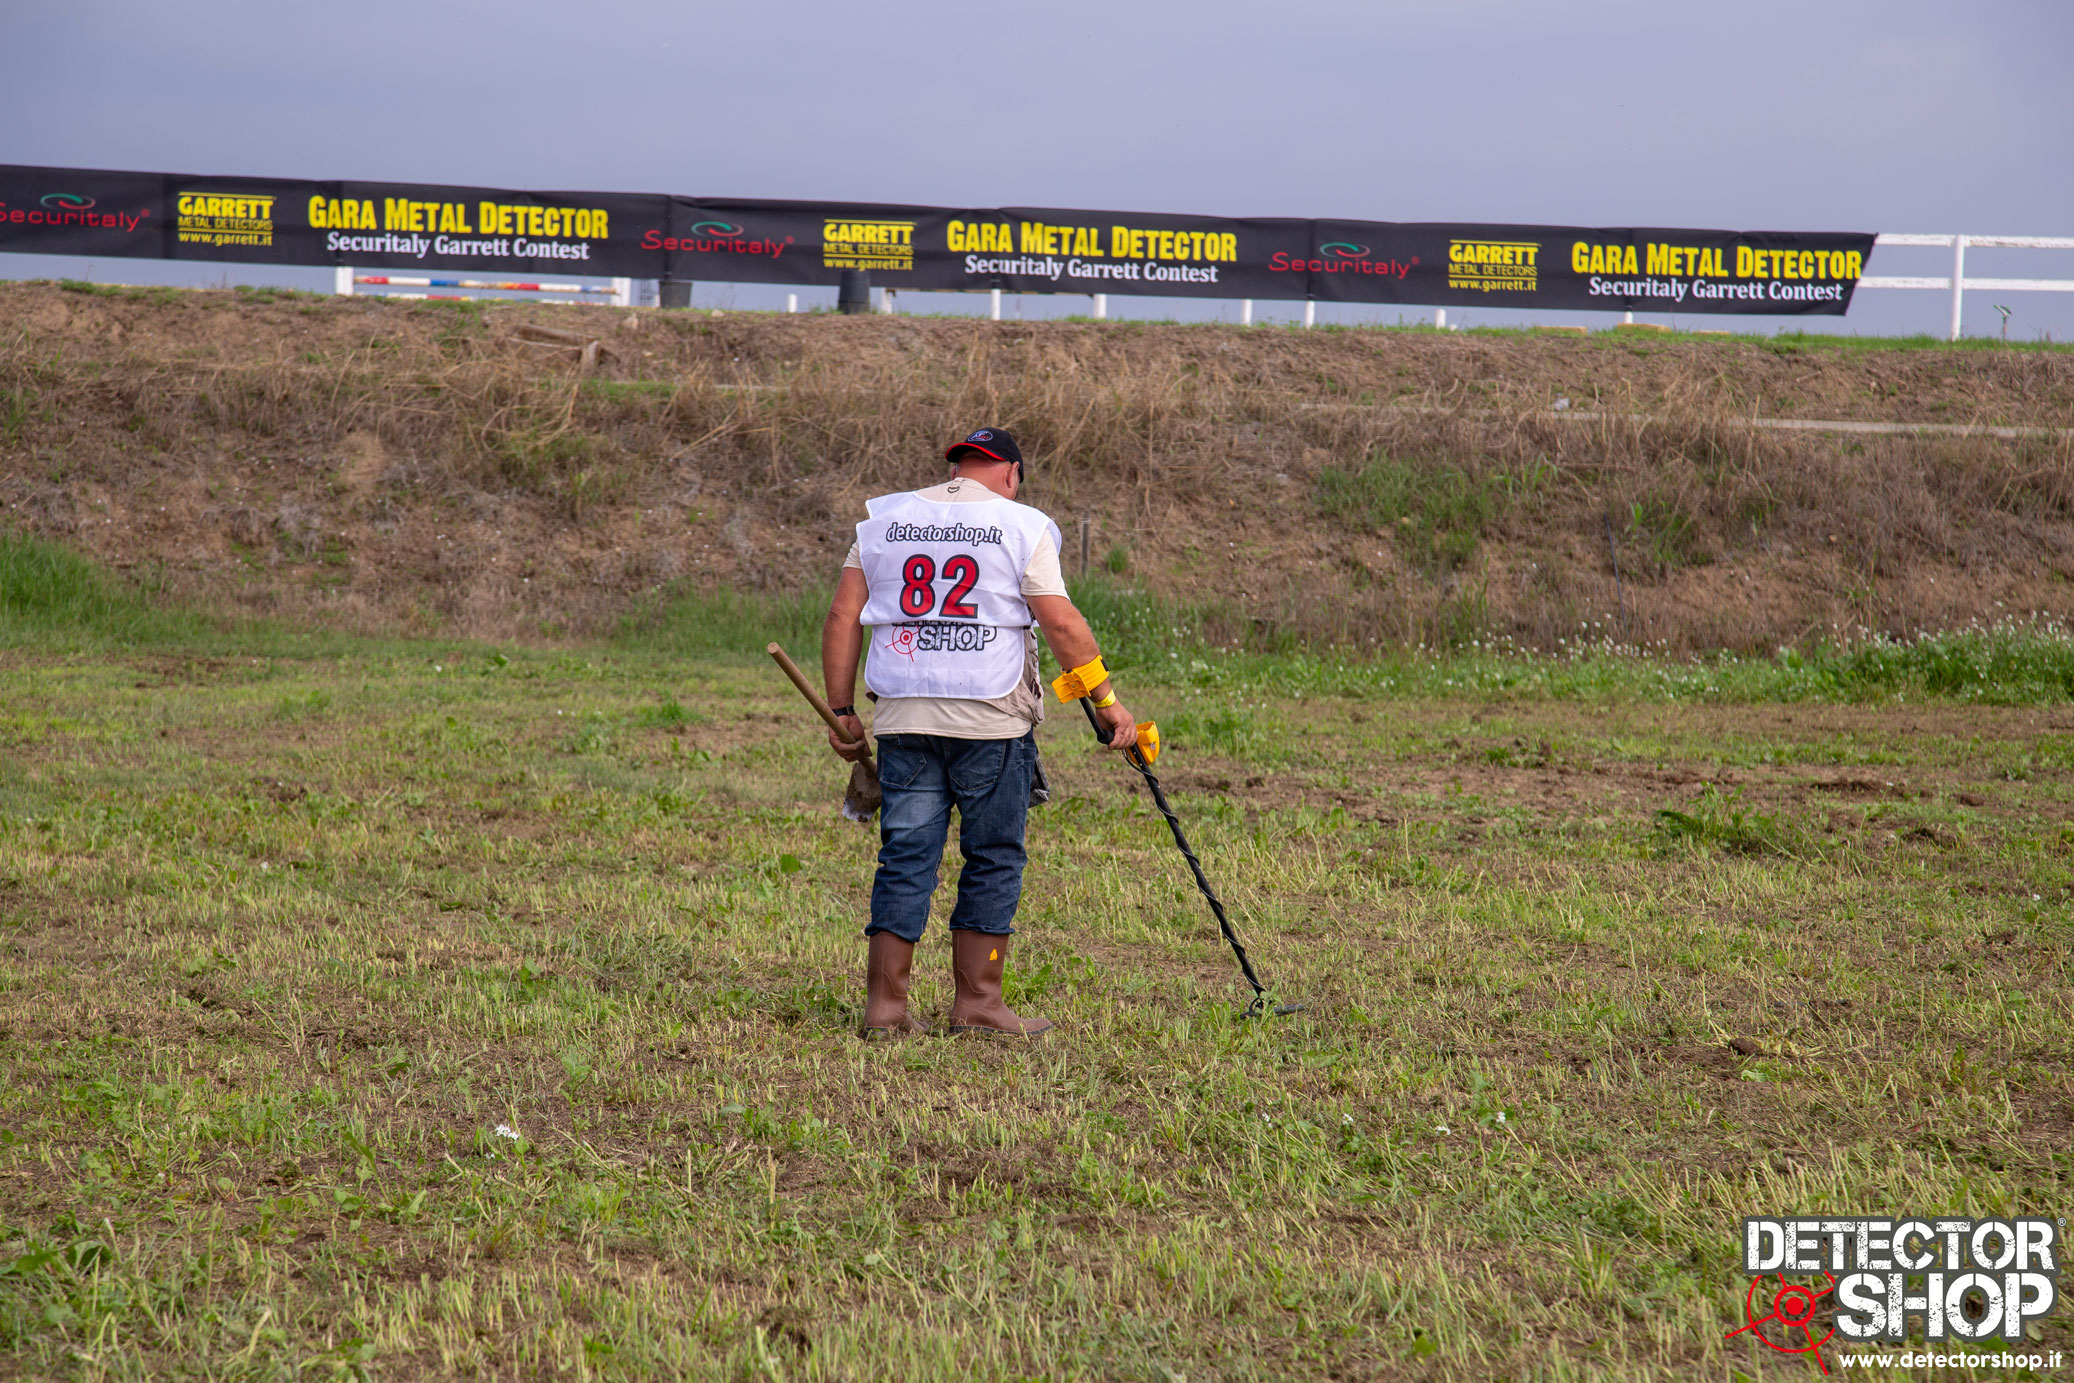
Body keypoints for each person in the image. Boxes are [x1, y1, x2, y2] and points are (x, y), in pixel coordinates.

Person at [821, 427, 1136, 1039]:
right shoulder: (1023, 525)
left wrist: (841, 707)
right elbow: (1061, 624)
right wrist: (1106, 702)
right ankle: (979, 1005)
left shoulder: (884, 521)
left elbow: (842, 615)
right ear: (1011, 475)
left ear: (955, 469)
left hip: (905, 717)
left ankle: (885, 1009)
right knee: (992, 856)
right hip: (990, 720)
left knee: (905, 857)